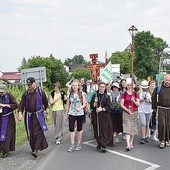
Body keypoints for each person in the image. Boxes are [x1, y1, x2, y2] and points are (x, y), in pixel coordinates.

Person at [18, 77, 49, 158]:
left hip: (39, 115)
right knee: (31, 132)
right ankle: (33, 148)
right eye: (28, 85)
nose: (29, 86)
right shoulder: (25, 94)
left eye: (30, 84)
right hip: (29, 116)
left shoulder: (40, 92)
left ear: (34, 83)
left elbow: (46, 103)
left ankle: (36, 150)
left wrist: (47, 112)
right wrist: (20, 113)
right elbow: (21, 105)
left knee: (38, 132)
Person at [90, 82, 113, 153]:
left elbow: (109, 106)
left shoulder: (107, 96)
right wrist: (95, 103)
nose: (102, 88)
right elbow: (91, 106)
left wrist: (102, 109)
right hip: (96, 115)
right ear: (98, 87)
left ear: (105, 88)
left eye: (103, 87)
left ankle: (104, 144)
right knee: (97, 128)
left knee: (104, 129)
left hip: (104, 115)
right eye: (100, 87)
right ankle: (99, 142)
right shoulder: (95, 96)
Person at [65, 79, 86, 152]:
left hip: (80, 113)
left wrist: (80, 108)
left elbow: (84, 104)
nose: (75, 87)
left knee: (79, 129)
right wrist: (66, 114)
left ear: (78, 86)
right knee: (71, 128)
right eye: (73, 85)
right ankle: (72, 144)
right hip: (72, 113)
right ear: (71, 86)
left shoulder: (81, 93)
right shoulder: (69, 94)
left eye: (76, 85)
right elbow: (67, 105)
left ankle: (79, 144)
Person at [120, 78, 140, 151]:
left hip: (134, 112)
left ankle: (131, 142)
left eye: (130, 85)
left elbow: (138, 104)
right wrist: (127, 110)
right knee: (127, 128)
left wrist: (133, 100)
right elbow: (121, 104)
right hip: (126, 113)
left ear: (133, 85)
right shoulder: (124, 94)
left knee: (132, 128)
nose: (129, 86)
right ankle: (128, 144)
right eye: (128, 85)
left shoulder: (136, 94)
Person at [152, 74, 170, 149]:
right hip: (161, 108)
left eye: (169, 80)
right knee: (162, 124)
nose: (168, 81)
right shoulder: (158, 88)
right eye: (166, 80)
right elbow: (153, 97)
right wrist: (154, 108)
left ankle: (167, 140)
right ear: (163, 80)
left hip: (169, 109)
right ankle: (162, 140)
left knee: (168, 125)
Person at [0, 83, 18, 158]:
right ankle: (1, 149)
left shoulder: (10, 96)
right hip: (0, 117)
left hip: (8, 118)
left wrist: (5, 105)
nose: (0, 93)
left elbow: (15, 105)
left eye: (2, 92)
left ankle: (5, 150)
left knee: (7, 134)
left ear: (5, 90)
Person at [138, 80, 152, 144]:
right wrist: (142, 100)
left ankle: (146, 136)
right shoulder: (139, 92)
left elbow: (153, 101)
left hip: (149, 109)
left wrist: (149, 100)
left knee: (147, 123)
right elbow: (137, 101)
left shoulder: (150, 92)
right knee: (143, 123)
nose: (144, 88)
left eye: (145, 87)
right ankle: (143, 137)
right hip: (141, 109)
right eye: (143, 87)